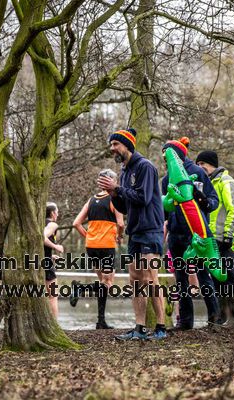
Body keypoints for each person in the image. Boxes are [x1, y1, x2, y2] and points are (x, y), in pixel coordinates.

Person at [98, 128, 167, 340]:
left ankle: (161, 328)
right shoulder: (125, 170)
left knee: (150, 278)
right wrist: (113, 193)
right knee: (135, 280)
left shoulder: (145, 166)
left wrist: (118, 188)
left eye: (115, 145)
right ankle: (139, 328)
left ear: (127, 145)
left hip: (151, 230)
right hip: (135, 231)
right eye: (111, 145)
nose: (112, 149)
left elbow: (143, 198)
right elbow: (126, 206)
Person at [161, 137, 221, 331]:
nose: (165, 158)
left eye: (167, 154)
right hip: (176, 234)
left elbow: (213, 201)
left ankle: (214, 319)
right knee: (181, 278)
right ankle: (185, 322)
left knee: (204, 276)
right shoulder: (165, 179)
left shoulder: (198, 172)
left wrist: (202, 201)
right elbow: (163, 210)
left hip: (197, 233)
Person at [71, 169, 125, 329]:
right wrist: (120, 236)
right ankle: (81, 288)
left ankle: (100, 321)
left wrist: (88, 236)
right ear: (112, 181)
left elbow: (76, 223)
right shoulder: (115, 199)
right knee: (107, 282)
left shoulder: (91, 200)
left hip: (92, 247)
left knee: (103, 281)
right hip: (107, 246)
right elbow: (121, 224)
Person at [196, 150, 234, 326]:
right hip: (210, 240)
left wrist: (229, 235)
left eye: (203, 164)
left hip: (225, 239)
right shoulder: (205, 184)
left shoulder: (227, 182)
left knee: (231, 276)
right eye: (198, 164)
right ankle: (222, 319)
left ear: (212, 164)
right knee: (216, 278)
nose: (200, 167)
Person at [44, 202, 63, 318]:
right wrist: (56, 247)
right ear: (52, 213)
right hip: (45, 264)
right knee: (53, 295)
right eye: (57, 212)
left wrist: (50, 256)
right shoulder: (52, 225)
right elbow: (42, 238)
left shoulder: (38, 223)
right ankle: (54, 325)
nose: (58, 214)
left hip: (40, 260)